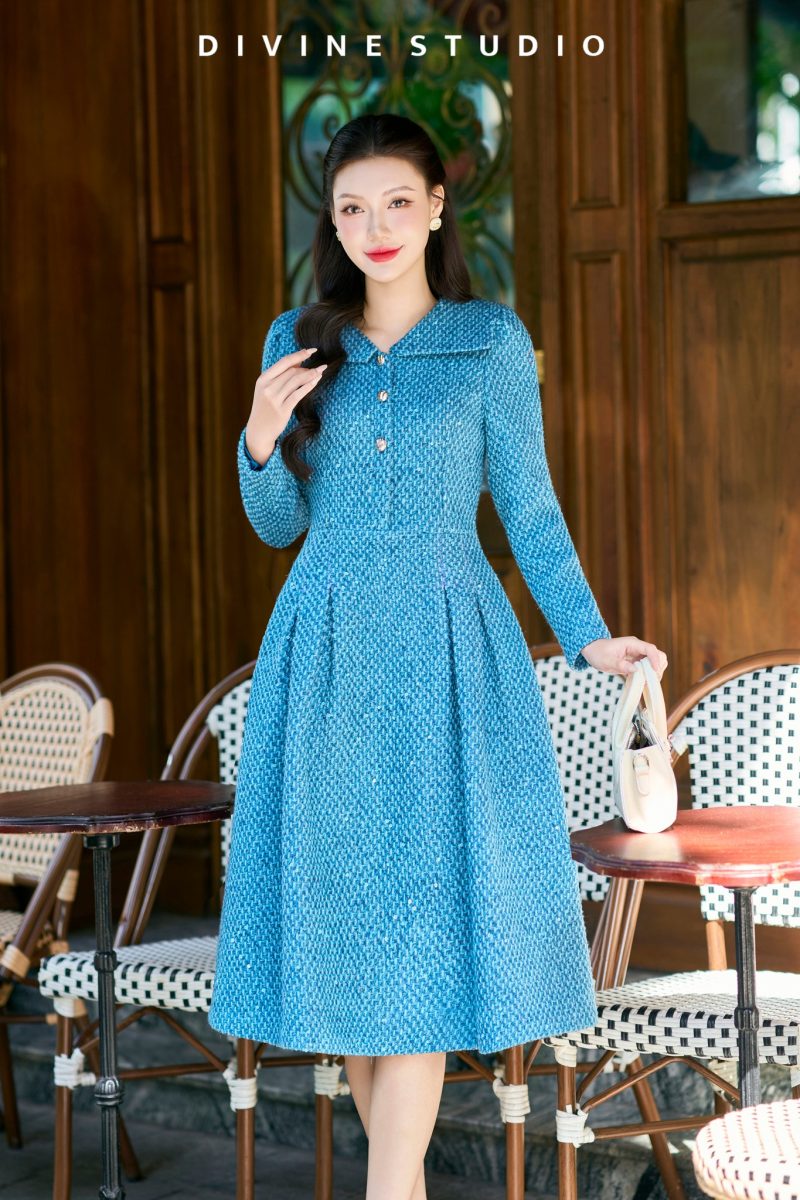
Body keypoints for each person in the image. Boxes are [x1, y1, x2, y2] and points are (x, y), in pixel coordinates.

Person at [208, 112, 668, 1200]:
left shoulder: (488, 341)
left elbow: (531, 512)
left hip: (452, 657)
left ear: (435, 208)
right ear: (332, 221)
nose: (375, 225)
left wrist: (588, 633)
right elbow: (276, 526)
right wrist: (259, 439)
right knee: (362, 948)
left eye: (396, 202)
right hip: (323, 659)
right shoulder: (294, 340)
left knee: (416, 933)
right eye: (352, 207)